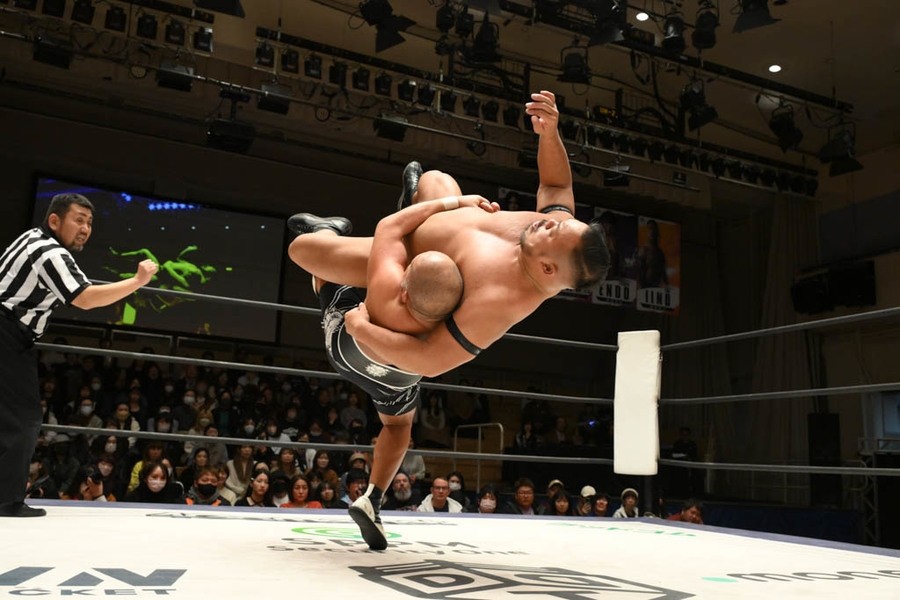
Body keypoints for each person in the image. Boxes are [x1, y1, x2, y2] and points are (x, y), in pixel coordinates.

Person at [289, 196, 490, 550]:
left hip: (351, 351)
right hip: (399, 378)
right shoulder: (458, 324)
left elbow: (390, 227)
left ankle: (327, 231)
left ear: (405, 285)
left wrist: (453, 202)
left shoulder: (386, 284)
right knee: (398, 425)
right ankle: (374, 496)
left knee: (332, 271)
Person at [0, 193, 158, 517]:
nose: (85, 229)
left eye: (89, 222)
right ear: (54, 220)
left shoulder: (31, 238)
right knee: (23, 419)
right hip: (6, 332)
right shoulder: (49, 251)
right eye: (79, 220)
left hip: (11, 332)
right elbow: (85, 299)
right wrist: (137, 281)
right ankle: (6, 501)